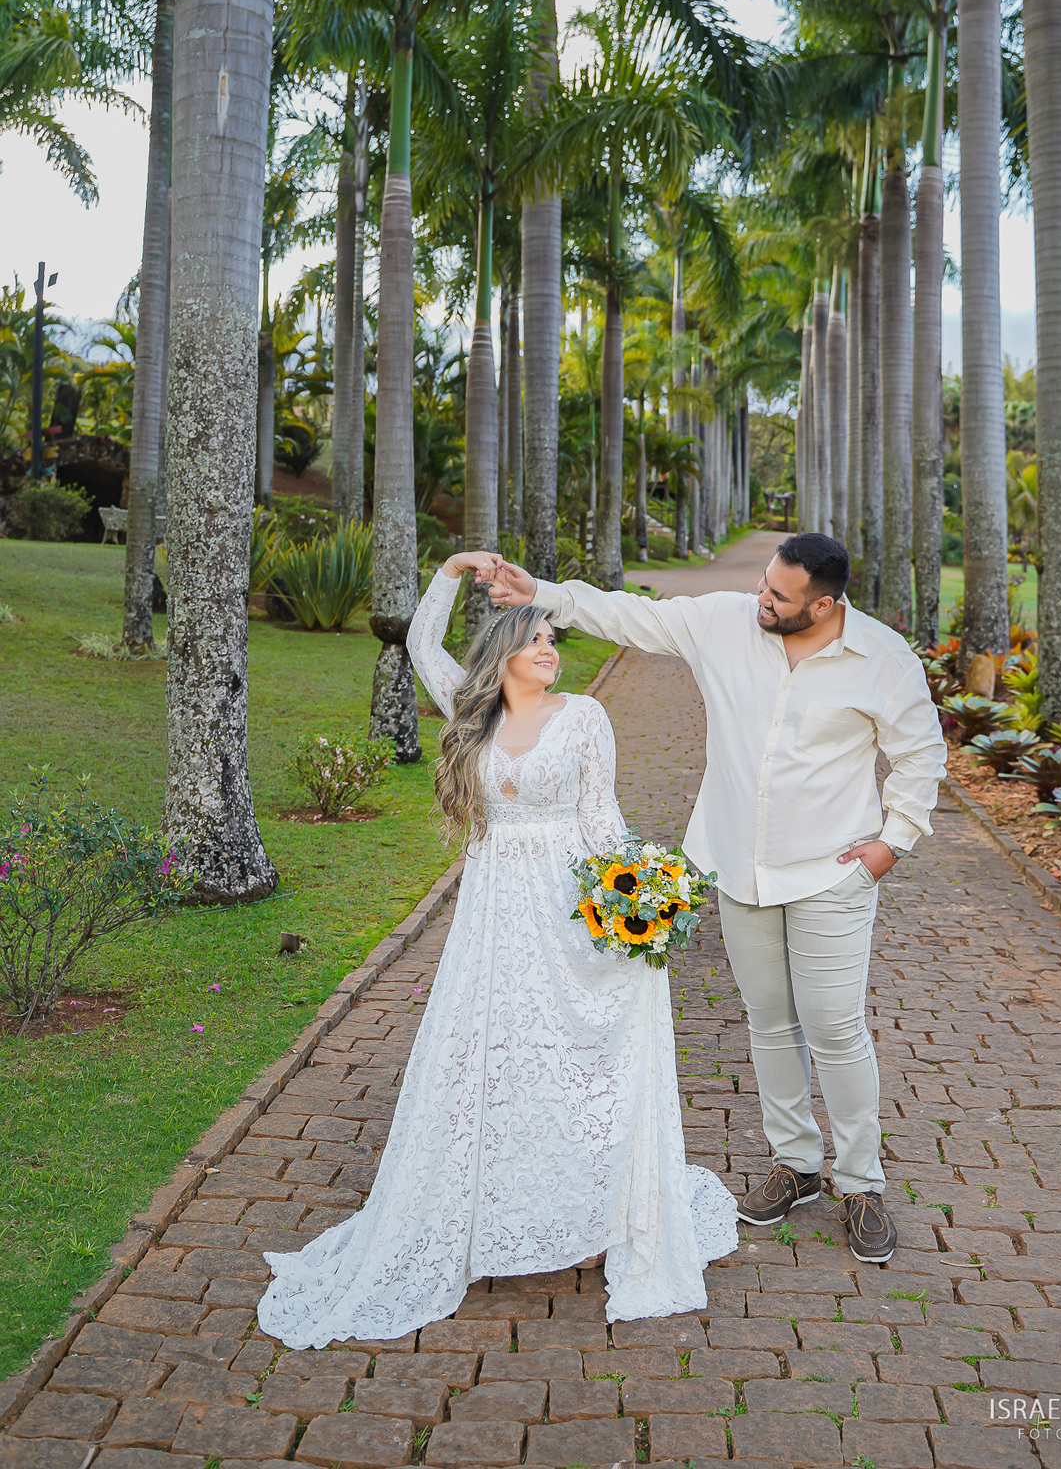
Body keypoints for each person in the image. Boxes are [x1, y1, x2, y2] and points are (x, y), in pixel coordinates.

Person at [256, 550, 737, 1350]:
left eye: (555, 638)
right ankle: (491, 1204)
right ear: (503, 652)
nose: (550, 648)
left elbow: (601, 818)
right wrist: (448, 572)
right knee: (490, 1051)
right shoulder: (470, 713)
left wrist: (639, 906)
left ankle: (581, 1201)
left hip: (563, 902)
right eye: (536, 638)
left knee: (571, 1049)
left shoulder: (583, 716)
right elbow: (418, 646)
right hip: (491, 909)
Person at [487, 532, 947, 1265]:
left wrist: (892, 843)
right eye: (765, 585)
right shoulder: (724, 624)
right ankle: (795, 1166)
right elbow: (627, 616)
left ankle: (861, 1183)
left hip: (832, 871)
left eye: (781, 597)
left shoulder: (884, 657)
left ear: (825, 605)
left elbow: (922, 754)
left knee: (834, 1027)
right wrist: (539, 591)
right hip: (738, 865)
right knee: (768, 1024)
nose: (763, 601)